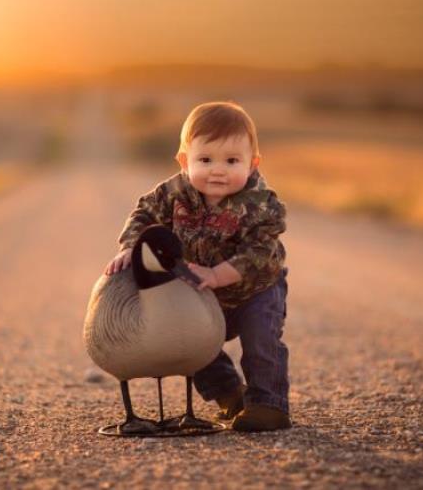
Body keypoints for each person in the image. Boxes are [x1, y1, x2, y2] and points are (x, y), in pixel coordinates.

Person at [104, 101, 291, 432]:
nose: (218, 170)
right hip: (200, 289)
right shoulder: (173, 192)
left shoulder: (262, 203)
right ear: (184, 161)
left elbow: (261, 251)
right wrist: (131, 246)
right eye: (205, 160)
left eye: (232, 161)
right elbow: (144, 215)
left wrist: (218, 275)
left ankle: (268, 403)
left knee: (260, 342)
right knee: (193, 342)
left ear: (253, 164)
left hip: (255, 290)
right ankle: (230, 394)